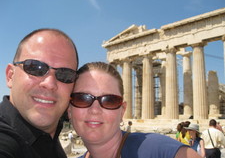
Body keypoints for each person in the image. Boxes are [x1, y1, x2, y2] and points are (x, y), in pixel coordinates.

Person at [68, 62, 201, 158]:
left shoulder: (159, 150)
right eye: (82, 98)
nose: (95, 110)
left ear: (122, 110)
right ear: (69, 110)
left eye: (110, 100)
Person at [0, 28, 79, 158]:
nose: (50, 84)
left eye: (65, 74)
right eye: (35, 67)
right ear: (10, 76)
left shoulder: (50, 139)